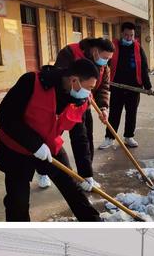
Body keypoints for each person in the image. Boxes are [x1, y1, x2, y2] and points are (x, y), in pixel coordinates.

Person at [0, 59, 103, 221]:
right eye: (89, 87)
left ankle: (94, 223)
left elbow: (80, 137)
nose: (89, 93)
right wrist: (35, 145)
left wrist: (86, 174)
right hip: (16, 149)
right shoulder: (32, 82)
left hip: (50, 147)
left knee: (73, 189)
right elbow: (5, 117)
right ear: (74, 80)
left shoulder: (80, 100)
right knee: (18, 202)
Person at [36, 38, 114, 190]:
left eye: (109, 59)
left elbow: (103, 87)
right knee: (49, 138)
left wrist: (104, 107)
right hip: (62, 104)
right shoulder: (70, 53)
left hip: (83, 102)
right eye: (105, 58)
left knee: (84, 138)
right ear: (95, 51)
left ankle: (86, 175)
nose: (106, 62)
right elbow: (62, 79)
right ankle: (42, 171)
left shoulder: (103, 67)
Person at [99, 22, 152, 150]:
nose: (129, 38)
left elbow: (144, 68)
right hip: (117, 87)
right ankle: (109, 138)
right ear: (122, 34)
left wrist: (148, 86)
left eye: (131, 35)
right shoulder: (114, 46)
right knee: (115, 113)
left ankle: (129, 136)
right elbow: (105, 64)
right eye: (127, 35)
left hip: (134, 88)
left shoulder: (138, 48)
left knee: (131, 113)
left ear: (134, 35)